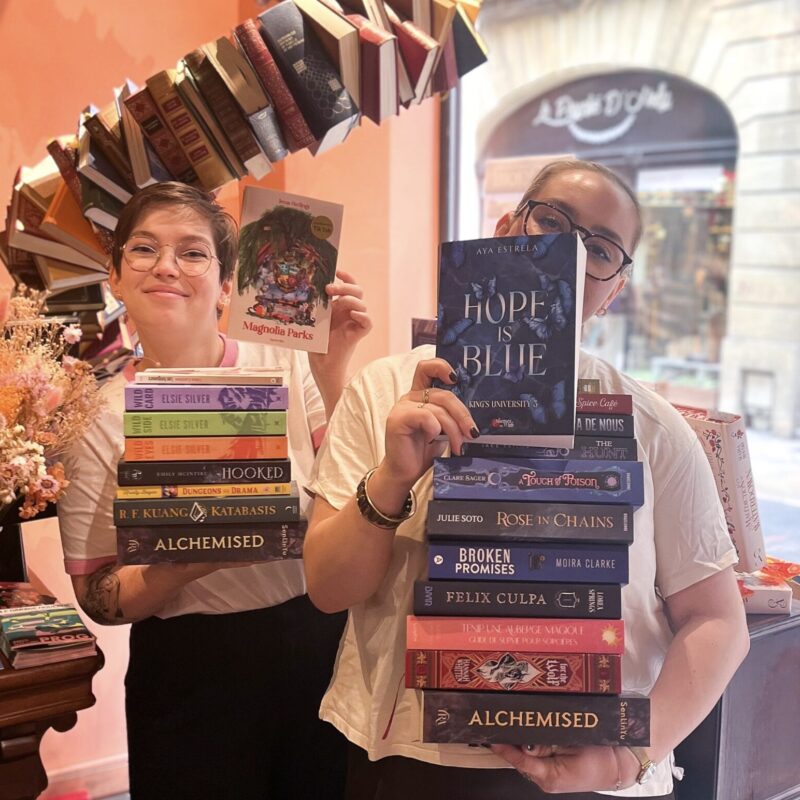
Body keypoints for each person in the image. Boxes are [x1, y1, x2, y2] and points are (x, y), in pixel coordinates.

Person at [303, 159, 750, 799]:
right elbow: (326, 587)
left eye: (600, 248)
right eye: (553, 221)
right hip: (411, 757)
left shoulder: (649, 425)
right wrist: (393, 478)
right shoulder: (384, 392)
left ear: (615, 289)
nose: (568, 251)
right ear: (506, 226)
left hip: (589, 767)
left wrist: (630, 756)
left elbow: (716, 620)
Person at [57, 182, 371, 799]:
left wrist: (334, 368)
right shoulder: (95, 415)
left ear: (228, 284)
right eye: (143, 249)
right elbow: (97, 595)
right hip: (189, 671)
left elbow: (354, 492)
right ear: (116, 277)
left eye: (194, 252)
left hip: (318, 645)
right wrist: (182, 567)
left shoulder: (285, 362)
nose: (167, 266)